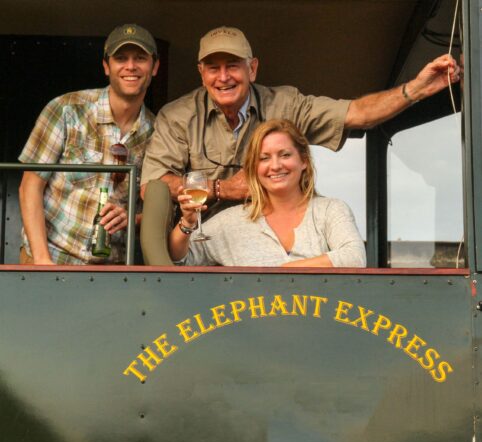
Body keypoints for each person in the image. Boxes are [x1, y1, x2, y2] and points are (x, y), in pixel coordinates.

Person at [140, 25, 459, 264]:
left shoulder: (288, 107)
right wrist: (222, 191)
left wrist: (415, 90)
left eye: (233, 65)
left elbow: (357, 114)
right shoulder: (178, 116)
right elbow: (153, 189)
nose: (223, 76)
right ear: (201, 73)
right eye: (213, 67)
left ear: (252, 69)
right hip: (216, 250)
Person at [18, 24, 160, 265]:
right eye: (121, 58)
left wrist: (131, 219)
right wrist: (42, 261)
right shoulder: (66, 109)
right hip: (50, 258)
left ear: (155, 67)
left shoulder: (158, 133)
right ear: (106, 66)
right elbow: (29, 186)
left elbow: (158, 214)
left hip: (110, 272)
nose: (131, 66)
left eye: (140, 58)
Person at [169, 119, 366, 267]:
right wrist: (187, 223)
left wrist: (281, 272)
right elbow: (180, 259)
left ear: (303, 160)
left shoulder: (330, 210)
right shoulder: (233, 220)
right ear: (254, 168)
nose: (275, 166)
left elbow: (354, 257)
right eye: (264, 158)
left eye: (285, 155)